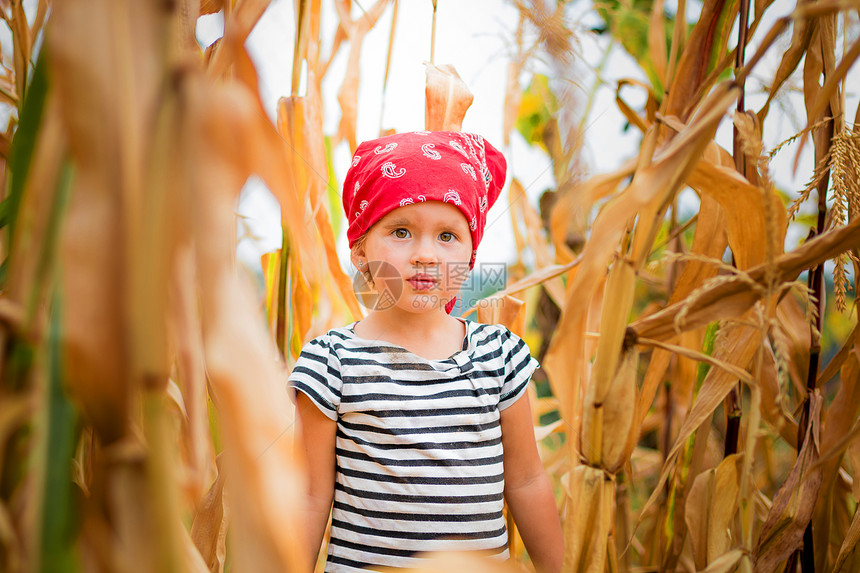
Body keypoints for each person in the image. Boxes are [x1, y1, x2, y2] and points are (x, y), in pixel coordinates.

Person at [288, 131, 564, 573]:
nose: (425, 255)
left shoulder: (499, 356)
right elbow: (309, 496)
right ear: (360, 249)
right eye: (401, 231)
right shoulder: (331, 364)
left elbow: (528, 480)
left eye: (448, 236)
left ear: (472, 252)